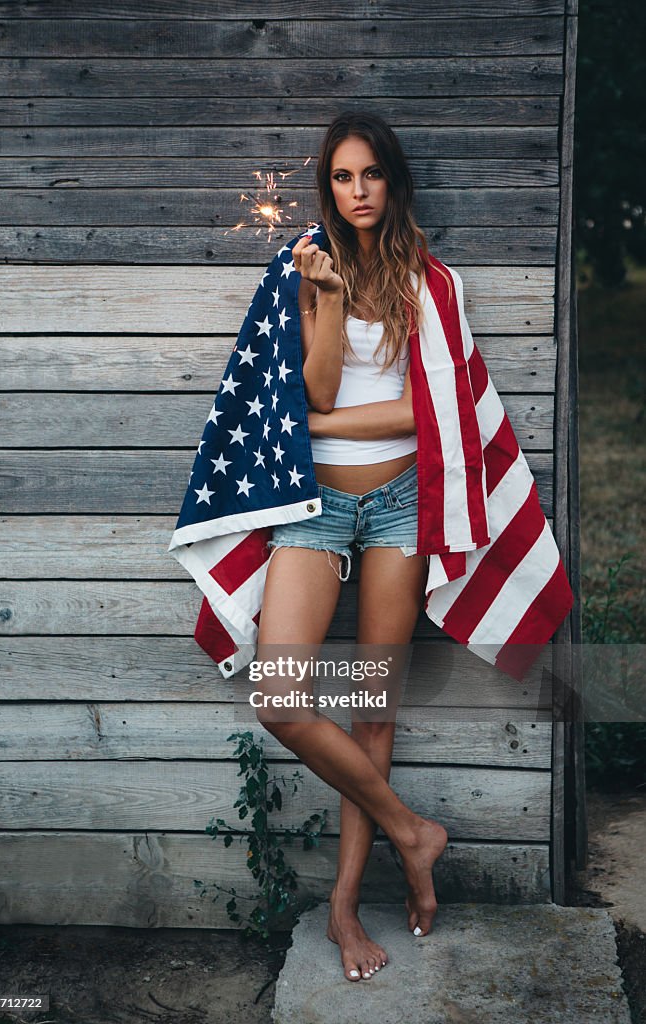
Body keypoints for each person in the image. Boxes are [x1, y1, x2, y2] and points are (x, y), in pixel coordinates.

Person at [253, 111, 449, 983]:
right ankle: (414, 834)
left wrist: (324, 421)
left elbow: (427, 414)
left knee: (373, 711)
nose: (358, 190)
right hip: (315, 505)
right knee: (279, 696)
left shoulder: (430, 281)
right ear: (325, 185)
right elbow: (315, 383)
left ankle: (342, 908)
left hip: (402, 506)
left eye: (370, 174)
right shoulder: (307, 270)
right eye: (341, 176)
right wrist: (328, 298)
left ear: (392, 180)